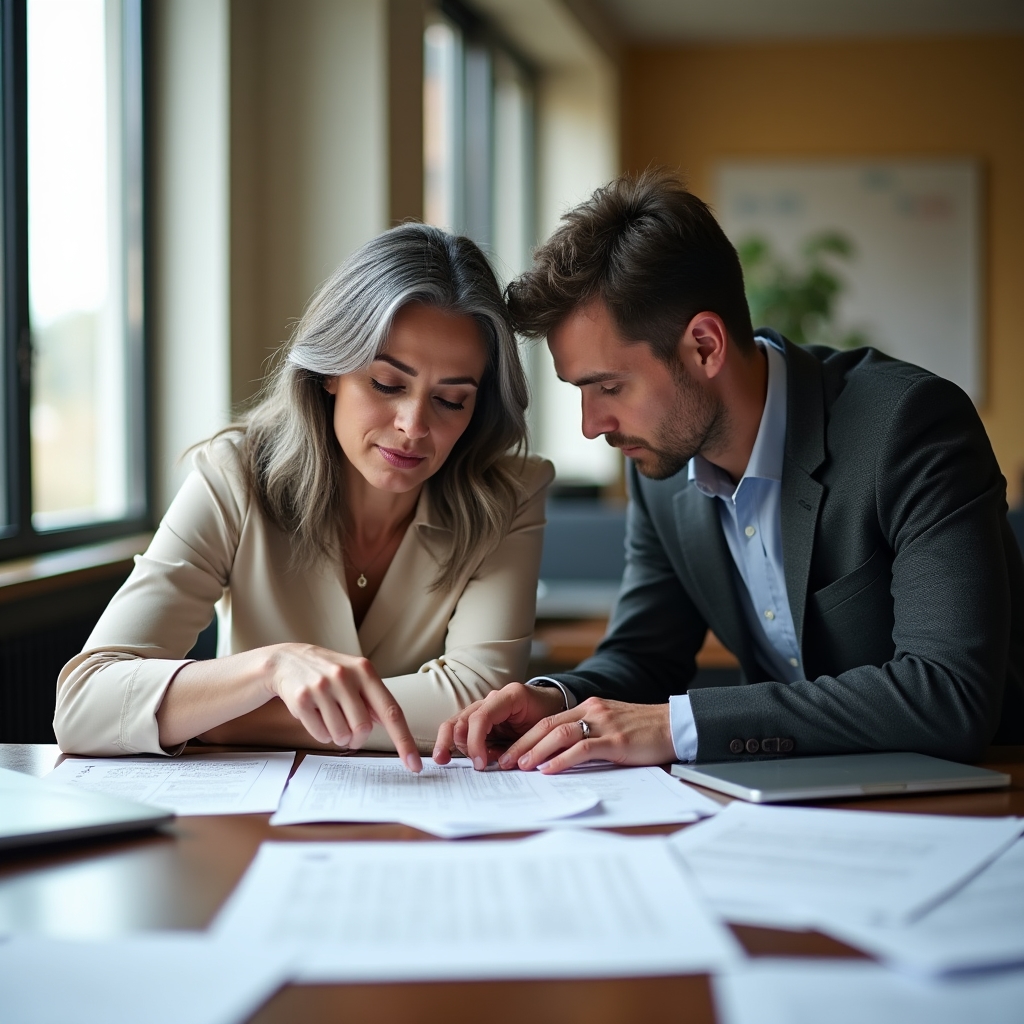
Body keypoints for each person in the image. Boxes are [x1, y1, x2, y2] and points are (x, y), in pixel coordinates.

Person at [435, 170, 1024, 774]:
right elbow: (644, 657)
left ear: (706, 346)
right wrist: (555, 701)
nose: (592, 425)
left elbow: (949, 695)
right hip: (781, 805)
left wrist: (679, 725)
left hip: (977, 799)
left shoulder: (908, 427)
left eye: (609, 386)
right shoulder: (661, 472)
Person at [54, 224, 553, 769]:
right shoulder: (235, 475)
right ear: (331, 371)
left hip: (423, 823)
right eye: (387, 385)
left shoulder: (509, 496)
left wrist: (213, 719)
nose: (414, 426)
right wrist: (270, 669)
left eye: (451, 400)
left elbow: (473, 705)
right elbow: (84, 704)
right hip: (250, 826)